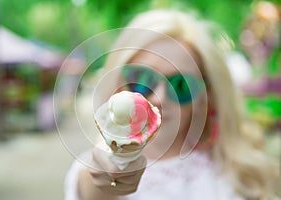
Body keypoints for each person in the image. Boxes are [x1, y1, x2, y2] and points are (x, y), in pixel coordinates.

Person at [64, 10, 279, 200]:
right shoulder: (92, 170)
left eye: (180, 85)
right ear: (119, 86)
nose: (159, 97)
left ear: (205, 96)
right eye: (141, 80)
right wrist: (110, 172)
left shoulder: (237, 169)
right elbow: (96, 186)